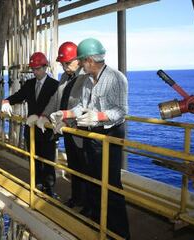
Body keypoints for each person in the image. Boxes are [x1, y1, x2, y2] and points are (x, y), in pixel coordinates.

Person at [50, 38, 130, 239]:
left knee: (110, 184)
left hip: (109, 135)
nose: (80, 65)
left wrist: (99, 116)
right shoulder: (86, 80)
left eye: (81, 61)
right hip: (91, 135)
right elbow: (82, 107)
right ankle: (97, 222)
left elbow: (121, 111)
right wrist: (65, 114)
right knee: (93, 180)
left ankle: (119, 232)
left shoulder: (116, 78)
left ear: (89, 60)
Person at [36, 42, 89, 208]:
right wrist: (44, 115)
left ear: (78, 60)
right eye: (62, 64)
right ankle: (76, 198)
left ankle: (90, 206)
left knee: (86, 170)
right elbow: (56, 99)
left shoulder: (87, 77)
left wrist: (66, 120)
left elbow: (84, 106)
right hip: (67, 131)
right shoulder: (65, 77)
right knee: (73, 166)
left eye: (67, 63)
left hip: (82, 132)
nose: (64, 67)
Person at [1, 52, 58, 196]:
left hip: (47, 129)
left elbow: (57, 106)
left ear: (45, 67)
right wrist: (6, 101)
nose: (35, 72)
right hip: (32, 128)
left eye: (38, 68)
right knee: (34, 158)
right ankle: (37, 183)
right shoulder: (30, 84)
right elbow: (19, 96)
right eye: (33, 69)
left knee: (48, 160)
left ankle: (49, 188)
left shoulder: (55, 86)